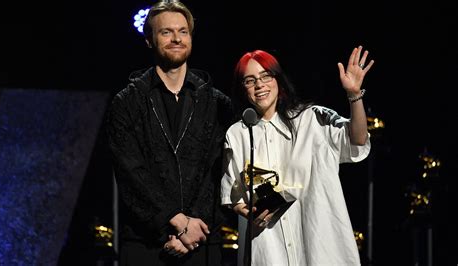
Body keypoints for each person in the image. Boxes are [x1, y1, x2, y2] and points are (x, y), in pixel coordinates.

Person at [105, 1, 234, 265]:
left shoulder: (217, 103)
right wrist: (175, 221)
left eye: (183, 31)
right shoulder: (127, 102)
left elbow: (220, 171)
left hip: (202, 240)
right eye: (166, 32)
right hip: (146, 244)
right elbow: (131, 173)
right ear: (149, 41)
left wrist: (192, 230)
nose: (176, 38)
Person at [221, 47, 374, 265]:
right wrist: (250, 212)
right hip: (270, 251)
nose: (259, 85)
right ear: (242, 88)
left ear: (278, 80)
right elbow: (233, 197)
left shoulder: (312, 119)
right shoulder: (238, 134)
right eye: (250, 80)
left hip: (320, 248)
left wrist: (354, 95)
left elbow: (357, 140)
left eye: (266, 76)